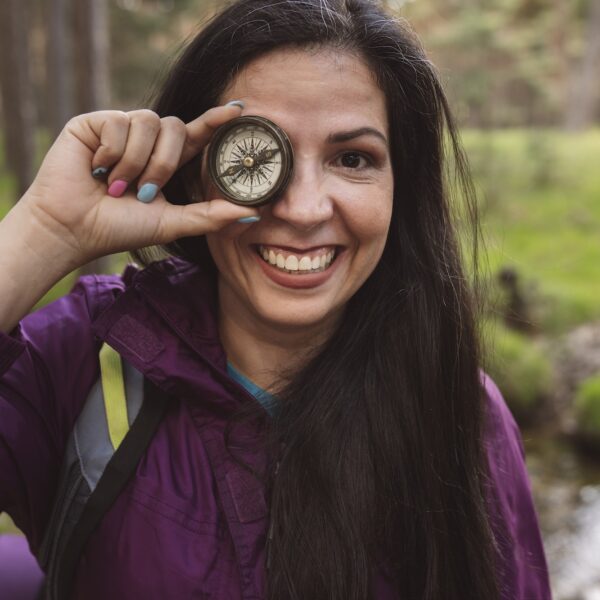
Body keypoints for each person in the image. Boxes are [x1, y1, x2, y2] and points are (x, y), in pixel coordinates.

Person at [0, 0, 551, 598]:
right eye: (257, 153)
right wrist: (43, 232)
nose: (304, 208)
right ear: (192, 170)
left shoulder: (460, 409)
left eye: (353, 158)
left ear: (401, 192)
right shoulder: (85, 356)